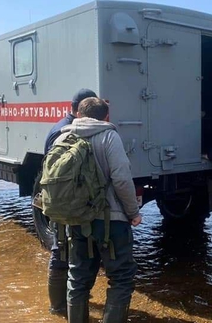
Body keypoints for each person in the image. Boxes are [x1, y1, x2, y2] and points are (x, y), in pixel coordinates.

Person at [56, 97, 142, 323]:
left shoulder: (63, 137)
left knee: (78, 278)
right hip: (111, 220)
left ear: (78, 114)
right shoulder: (109, 136)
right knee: (121, 278)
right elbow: (122, 180)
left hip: (76, 219)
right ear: (106, 116)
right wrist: (133, 213)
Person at [43, 88, 97, 316]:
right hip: (66, 201)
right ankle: (58, 306)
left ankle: (63, 303)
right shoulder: (67, 132)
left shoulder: (58, 128)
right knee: (61, 250)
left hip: (58, 200)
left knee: (64, 249)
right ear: (78, 110)